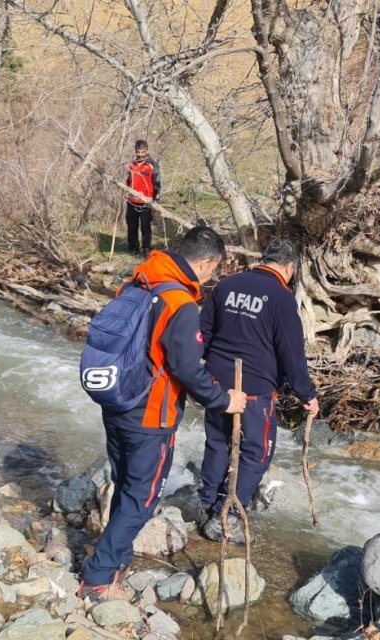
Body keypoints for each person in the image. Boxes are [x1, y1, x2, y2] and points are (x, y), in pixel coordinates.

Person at [80, 225, 247, 601]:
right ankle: (98, 578)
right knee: (142, 497)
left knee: (125, 484)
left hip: (118, 402)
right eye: (213, 269)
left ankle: (117, 558)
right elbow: (188, 370)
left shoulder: (139, 282)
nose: (210, 277)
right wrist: (224, 400)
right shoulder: (180, 304)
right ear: (205, 263)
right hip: (151, 415)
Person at [197, 239, 319, 542]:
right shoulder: (281, 297)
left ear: (264, 260)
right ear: (289, 268)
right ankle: (230, 515)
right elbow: (292, 353)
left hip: (216, 385)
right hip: (254, 391)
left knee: (216, 442)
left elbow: (204, 331)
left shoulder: (227, 285)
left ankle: (207, 502)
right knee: (256, 451)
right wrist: (307, 394)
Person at [124, 140, 162, 257]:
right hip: (132, 201)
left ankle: (146, 249)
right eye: (138, 152)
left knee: (146, 227)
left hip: (146, 202)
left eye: (142, 152)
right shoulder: (131, 165)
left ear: (147, 151)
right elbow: (127, 181)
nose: (140, 154)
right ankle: (133, 248)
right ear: (135, 151)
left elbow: (157, 184)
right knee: (132, 226)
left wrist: (154, 201)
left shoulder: (152, 165)